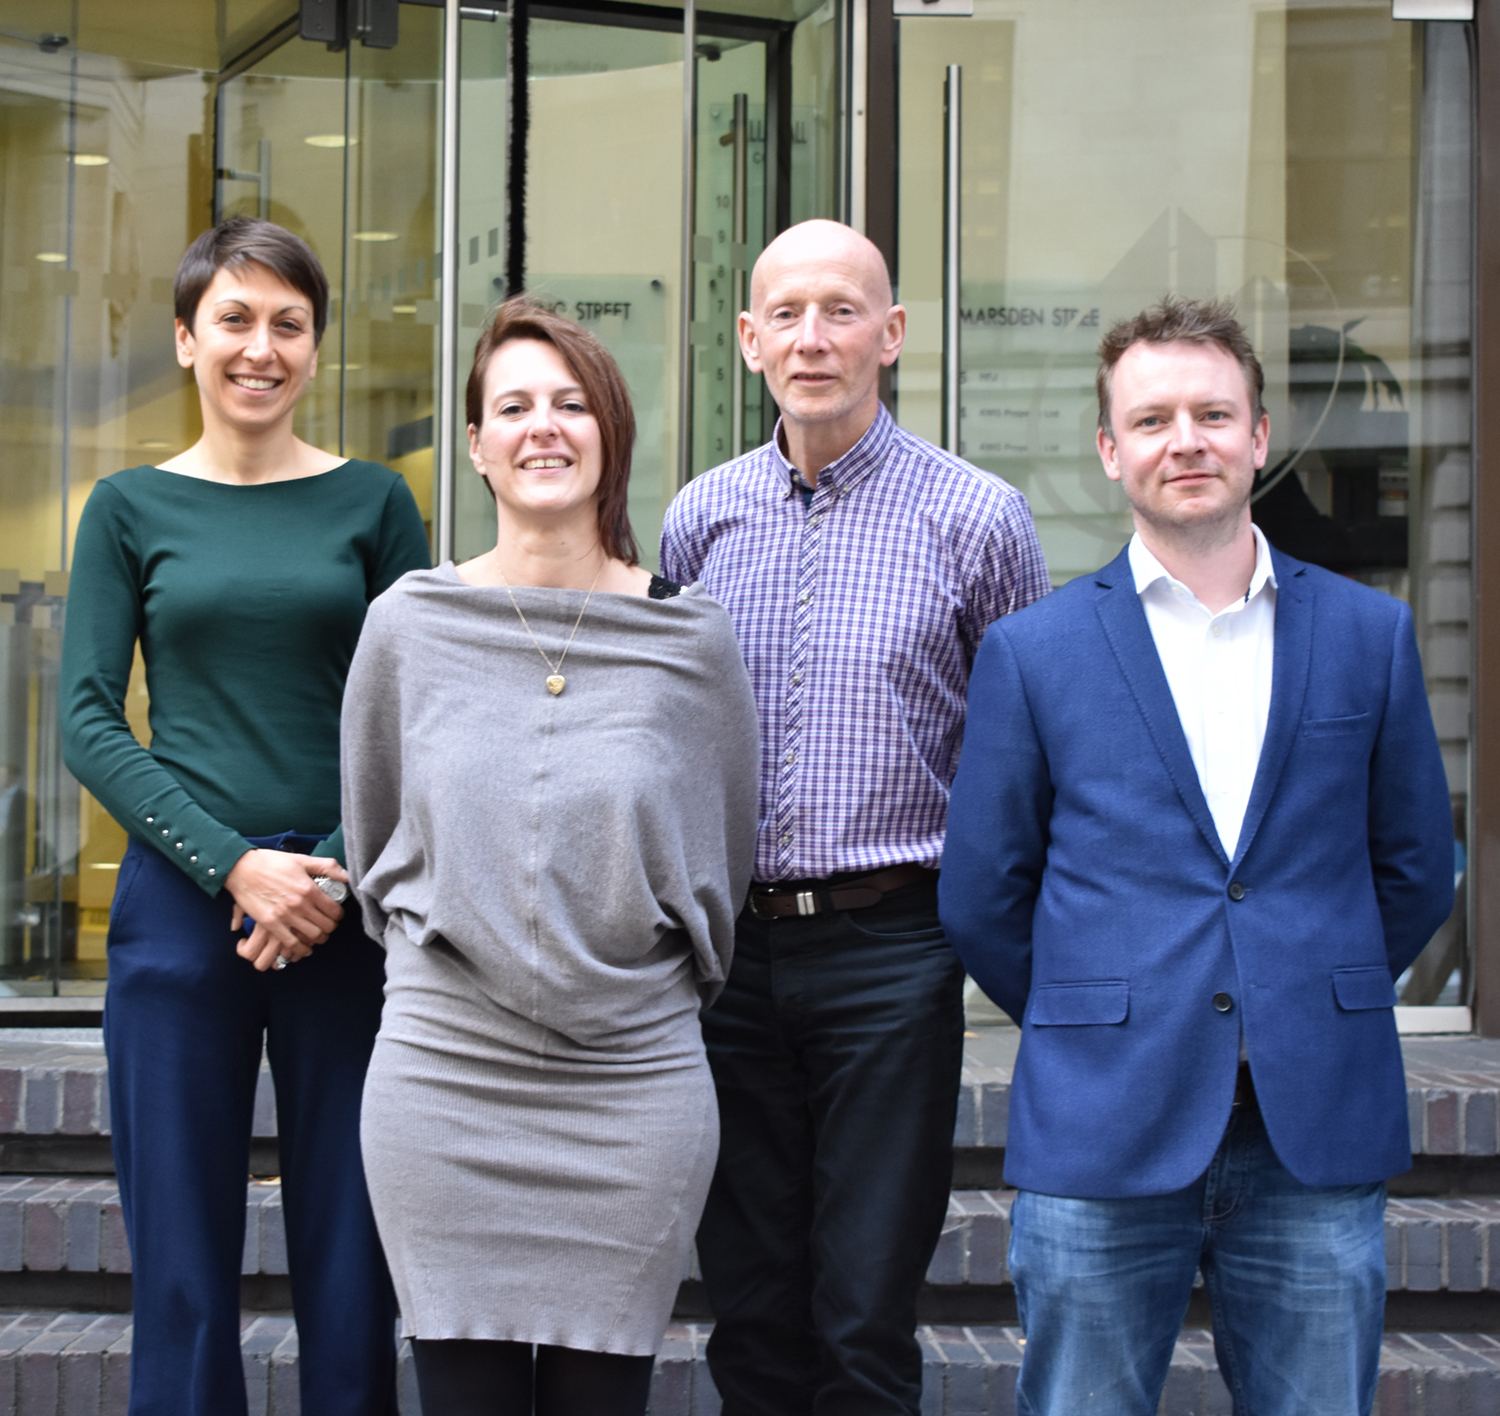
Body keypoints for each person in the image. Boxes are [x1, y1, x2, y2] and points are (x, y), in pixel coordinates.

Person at [940, 297, 1455, 1416]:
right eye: (1154, 419)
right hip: (1103, 1118)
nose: (1187, 441)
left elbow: (1414, 862)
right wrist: (1098, 1012)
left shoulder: (1367, 634)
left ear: (1259, 437)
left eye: (1214, 415)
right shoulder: (1033, 652)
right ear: (1110, 449)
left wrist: (1303, 985)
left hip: (1311, 1120)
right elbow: (984, 892)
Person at [659, 219, 1050, 1415]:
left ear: (891, 334)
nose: (812, 338)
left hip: (893, 949)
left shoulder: (977, 519)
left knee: (865, 1313)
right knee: (750, 1305)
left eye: (841, 311)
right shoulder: (700, 519)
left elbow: (1022, 759)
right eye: (786, 314)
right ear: (748, 340)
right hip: (731, 959)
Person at [341, 297, 758, 1416]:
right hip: (445, 1078)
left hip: (634, 1087)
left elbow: (721, 859)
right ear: (476, 443)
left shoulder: (691, 639)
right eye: (514, 406)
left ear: (609, 433)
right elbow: (377, 837)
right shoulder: (409, 625)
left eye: (572, 404)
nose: (544, 427)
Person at [59, 217, 430, 1415]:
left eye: (288, 324)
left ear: (316, 348)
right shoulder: (126, 508)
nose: (260, 347)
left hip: (345, 913)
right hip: (180, 915)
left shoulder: (376, 503)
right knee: (178, 1263)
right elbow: (87, 721)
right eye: (234, 319)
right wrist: (234, 866)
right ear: (186, 339)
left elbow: (419, 714)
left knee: (352, 1252)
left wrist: (324, 870)